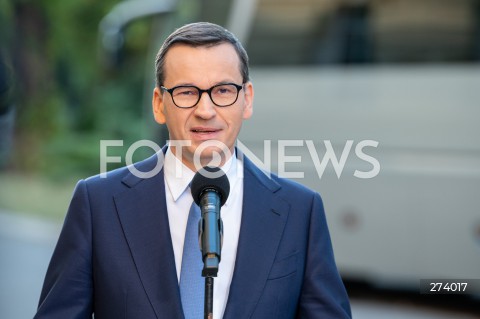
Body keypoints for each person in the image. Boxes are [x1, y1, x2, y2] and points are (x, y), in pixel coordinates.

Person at [35, 22, 351, 319]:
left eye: (224, 91)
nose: (205, 110)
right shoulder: (97, 204)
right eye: (187, 92)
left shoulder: (300, 212)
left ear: (247, 99)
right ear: (159, 104)